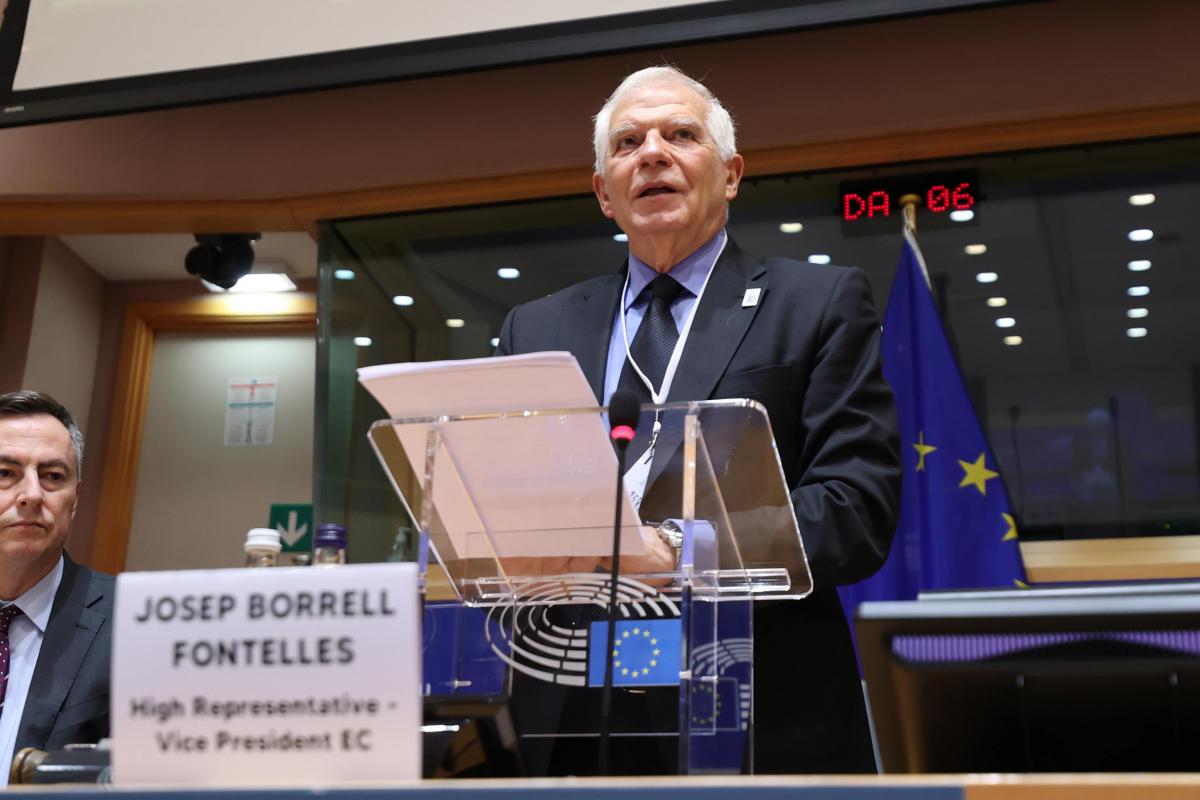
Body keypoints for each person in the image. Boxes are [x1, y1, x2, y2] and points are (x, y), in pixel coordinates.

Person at [496, 66, 901, 774]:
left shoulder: (816, 303)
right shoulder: (534, 327)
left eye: (681, 135)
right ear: (604, 193)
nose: (652, 153)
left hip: (753, 709)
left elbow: (854, 507)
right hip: (567, 710)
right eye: (627, 143)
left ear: (731, 174)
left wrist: (683, 551)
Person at [0, 390, 113, 783]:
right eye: (5, 473)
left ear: (75, 498)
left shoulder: (130, 623)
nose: (32, 495)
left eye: (53, 477)